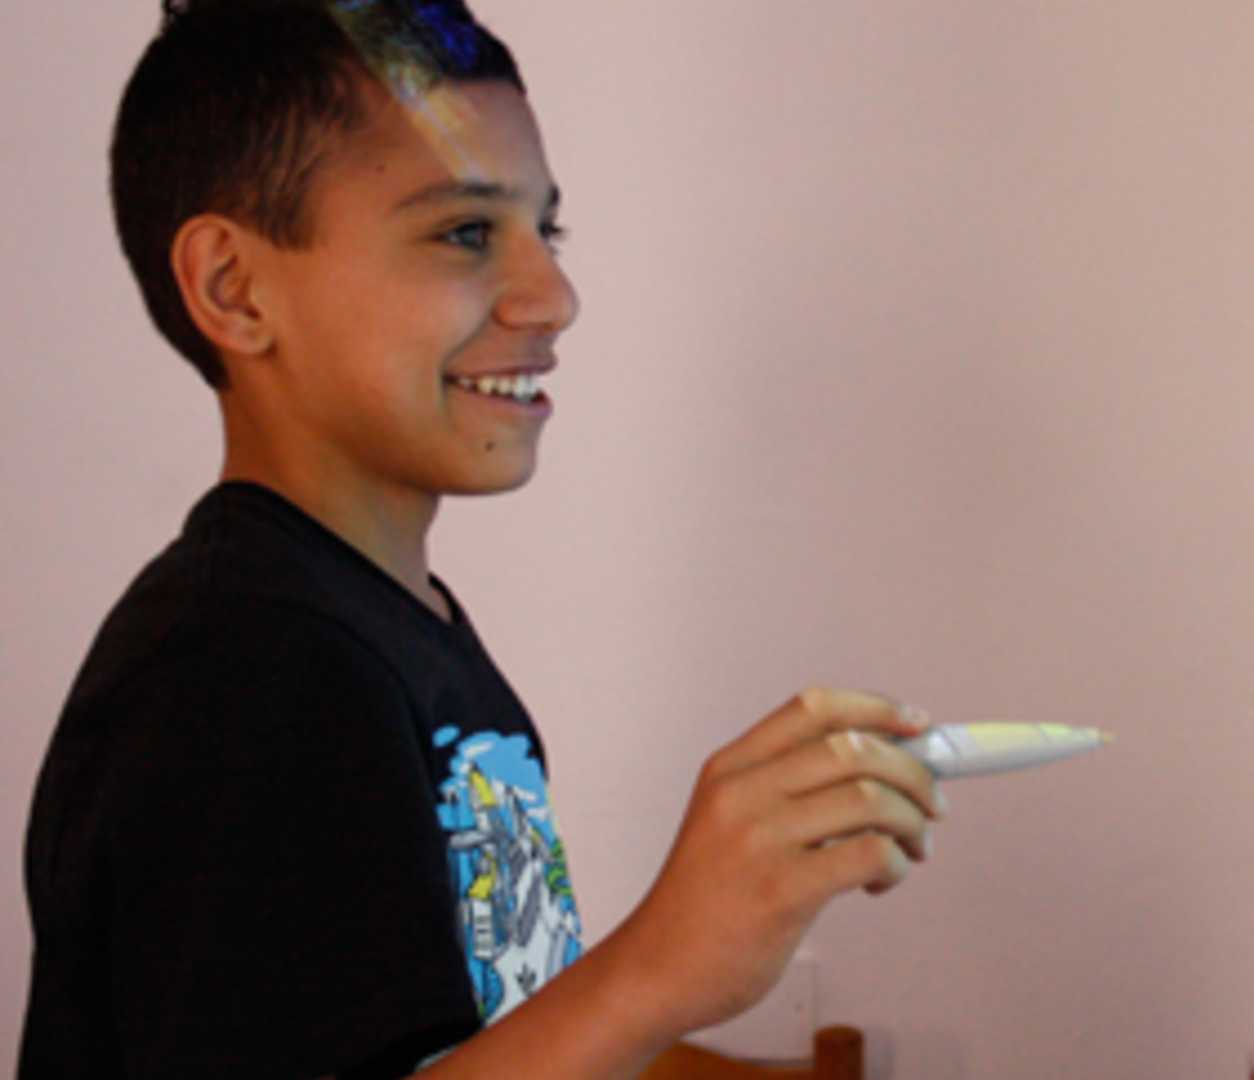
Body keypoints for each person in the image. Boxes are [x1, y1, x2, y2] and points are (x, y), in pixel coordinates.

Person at [18, 2, 944, 1075]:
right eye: (464, 232)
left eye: (547, 232)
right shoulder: (246, 667)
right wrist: (662, 964)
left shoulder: (371, 628)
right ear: (235, 288)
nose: (554, 296)